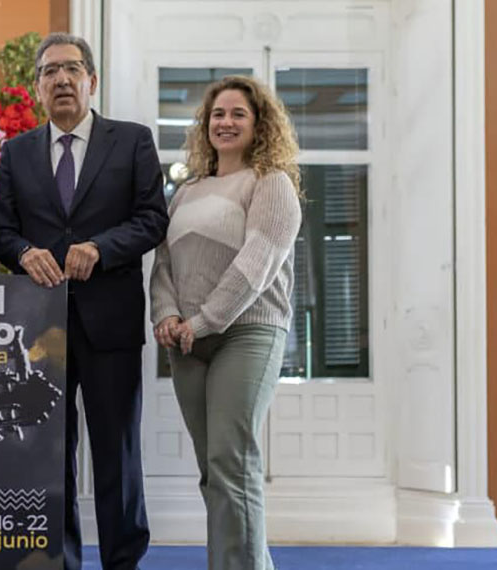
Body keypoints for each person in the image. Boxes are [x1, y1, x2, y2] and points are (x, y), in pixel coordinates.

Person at [0, 32, 169, 570]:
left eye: (73, 69)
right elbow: (1, 229)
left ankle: (122, 560)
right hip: (38, 328)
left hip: (110, 323)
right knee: (49, 454)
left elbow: (153, 220)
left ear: (93, 81)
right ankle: (60, 560)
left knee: (117, 454)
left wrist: (101, 247)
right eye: (50, 71)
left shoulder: (133, 140)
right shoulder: (17, 152)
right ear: (38, 88)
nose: (62, 79)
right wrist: (23, 253)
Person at [149, 75, 302, 570]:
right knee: (213, 472)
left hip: (247, 333)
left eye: (238, 113)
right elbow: (165, 262)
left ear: (260, 124)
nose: (226, 122)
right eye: (218, 114)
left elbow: (258, 263)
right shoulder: (188, 191)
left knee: (232, 463)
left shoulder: (272, 184)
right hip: (189, 339)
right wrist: (168, 315)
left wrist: (206, 320)